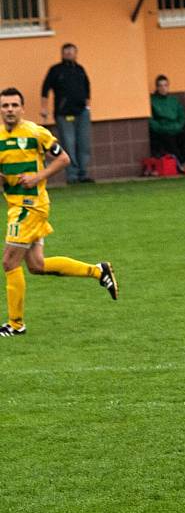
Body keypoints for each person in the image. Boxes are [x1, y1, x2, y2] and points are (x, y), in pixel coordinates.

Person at [0, 87, 118, 337]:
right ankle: (98, 271)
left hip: (31, 206)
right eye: (5, 106)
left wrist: (37, 176)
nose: (9, 109)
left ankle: (16, 324)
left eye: (14, 105)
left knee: (9, 261)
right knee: (37, 265)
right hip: (15, 204)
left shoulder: (35, 133)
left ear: (22, 108)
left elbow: (64, 158)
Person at [40, 43, 94, 184]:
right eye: (66, 51)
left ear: (76, 53)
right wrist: (44, 108)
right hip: (63, 114)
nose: (69, 53)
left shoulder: (80, 70)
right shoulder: (56, 70)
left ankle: (83, 174)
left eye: (72, 51)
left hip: (82, 113)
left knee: (84, 144)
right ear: (62, 53)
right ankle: (72, 176)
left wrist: (87, 106)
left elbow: (87, 88)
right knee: (68, 144)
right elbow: (45, 89)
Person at [149, 75, 185, 173]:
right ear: (157, 87)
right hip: (163, 130)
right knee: (170, 142)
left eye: (165, 85)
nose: (163, 88)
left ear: (168, 87)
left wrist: (178, 126)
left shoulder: (174, 100)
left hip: (176, 128)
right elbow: (151, 120)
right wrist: (161, 128)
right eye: (160, 86)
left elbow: (182, 115)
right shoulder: (152, 101)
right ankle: (181, 165)